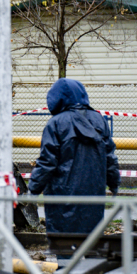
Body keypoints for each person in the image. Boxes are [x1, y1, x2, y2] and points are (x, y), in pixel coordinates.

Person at [28, 78, 120, 234]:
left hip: (61, 195)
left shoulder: (56, 123)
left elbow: (47, 162)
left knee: (64, 244)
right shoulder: (99, 120)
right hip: (93, 195)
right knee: (90, 241)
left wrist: (33, 189)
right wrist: (114, 183)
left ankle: (66, 258)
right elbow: (109, 157)